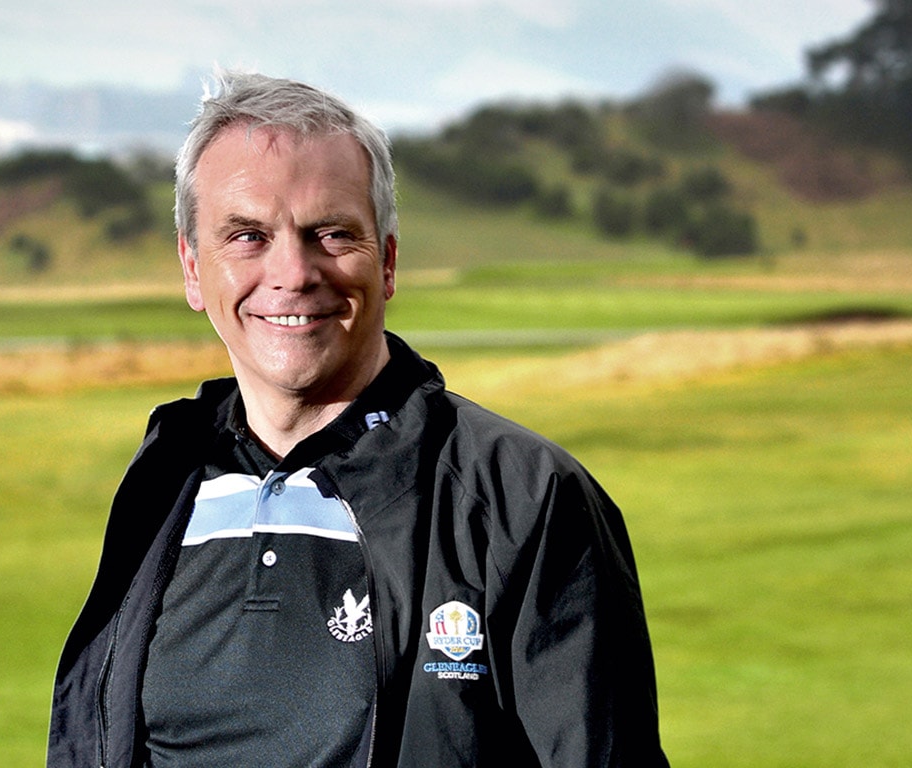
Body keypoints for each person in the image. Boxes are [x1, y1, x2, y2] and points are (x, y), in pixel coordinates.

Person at [49, 70, 670, 768]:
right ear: (193, 269)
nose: (293, 273)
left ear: (390, 261)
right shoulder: (164, 484)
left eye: (331, 233)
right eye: (248, 236)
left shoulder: (524, 498)